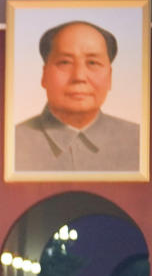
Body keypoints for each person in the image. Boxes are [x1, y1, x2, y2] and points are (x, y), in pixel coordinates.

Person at [15, 20, 140, 172]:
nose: (79, 76)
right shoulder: (13, 142)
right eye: (65, 62)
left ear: (110, 77)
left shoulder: (139, 140)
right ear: (44, 75)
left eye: (93, 63)